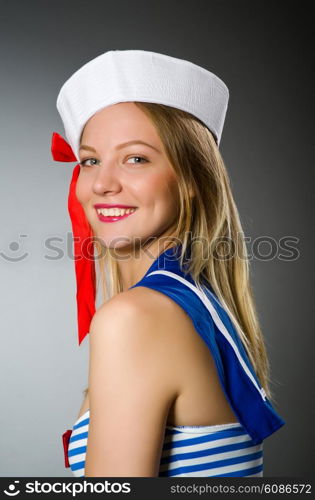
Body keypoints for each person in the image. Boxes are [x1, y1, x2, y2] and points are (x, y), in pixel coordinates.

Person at [52, 49, 285, 477]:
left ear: (193, 179)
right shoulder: (194, 305)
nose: (103, 183)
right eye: (90, 160)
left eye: (136, 158)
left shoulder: (137, 318)